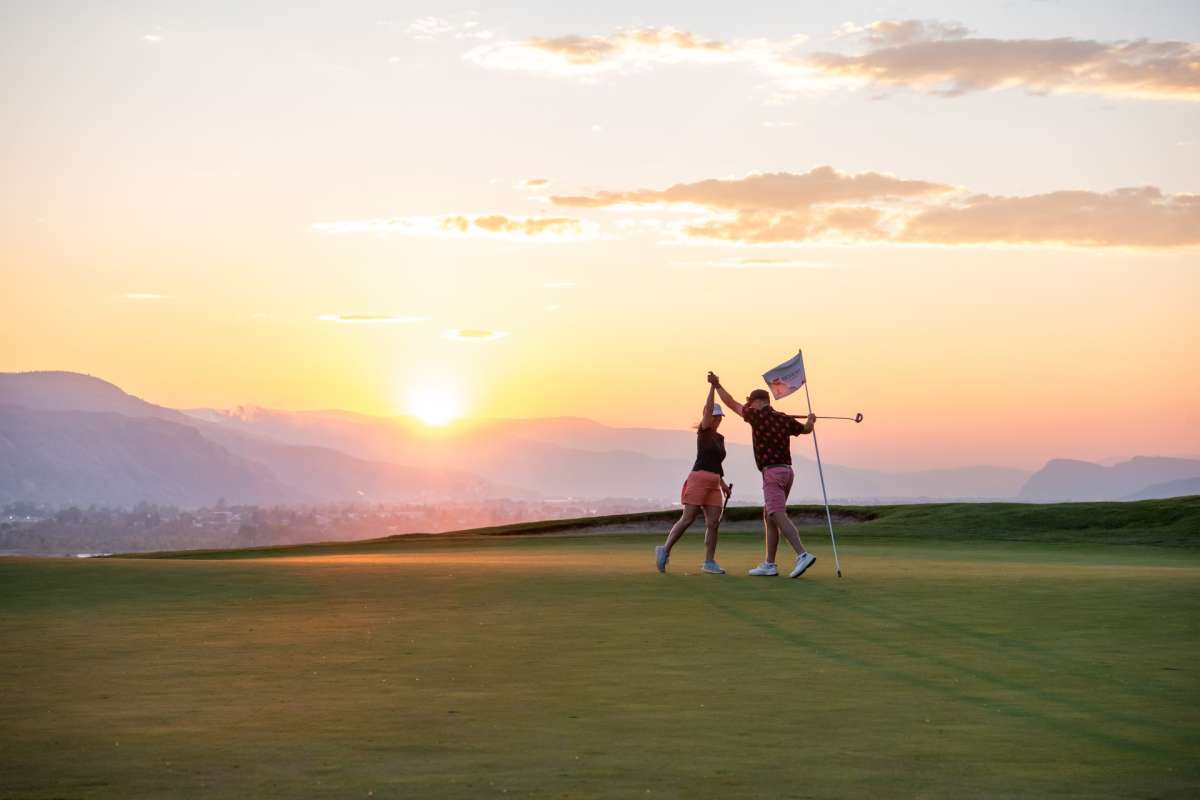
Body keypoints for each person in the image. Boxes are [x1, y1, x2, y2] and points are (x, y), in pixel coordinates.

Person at [708, 371, 818, 578]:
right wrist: (811, 420)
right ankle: (769, 564)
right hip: (787, 472)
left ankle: (802, 554)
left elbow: (731, 403)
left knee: (777, 513)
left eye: (750, 402)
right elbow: (805, 430)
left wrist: (717, 385)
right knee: (769, 516)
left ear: (758, 403)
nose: (748, 405)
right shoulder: (783, 419)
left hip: (772, 472)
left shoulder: (756, 416)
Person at [655, 382, 731, 575]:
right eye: (715, 417)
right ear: (709, 417)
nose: (718, 420)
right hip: (698, 479)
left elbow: (717, 463)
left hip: (714, 482)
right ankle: (665, 550)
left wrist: (722, 483)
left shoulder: (720, 438)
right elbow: (706, 409)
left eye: (720, 417)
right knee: (688, 518)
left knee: (713, 523)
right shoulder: (704, 432)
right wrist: (713, 387)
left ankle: (709, 562)